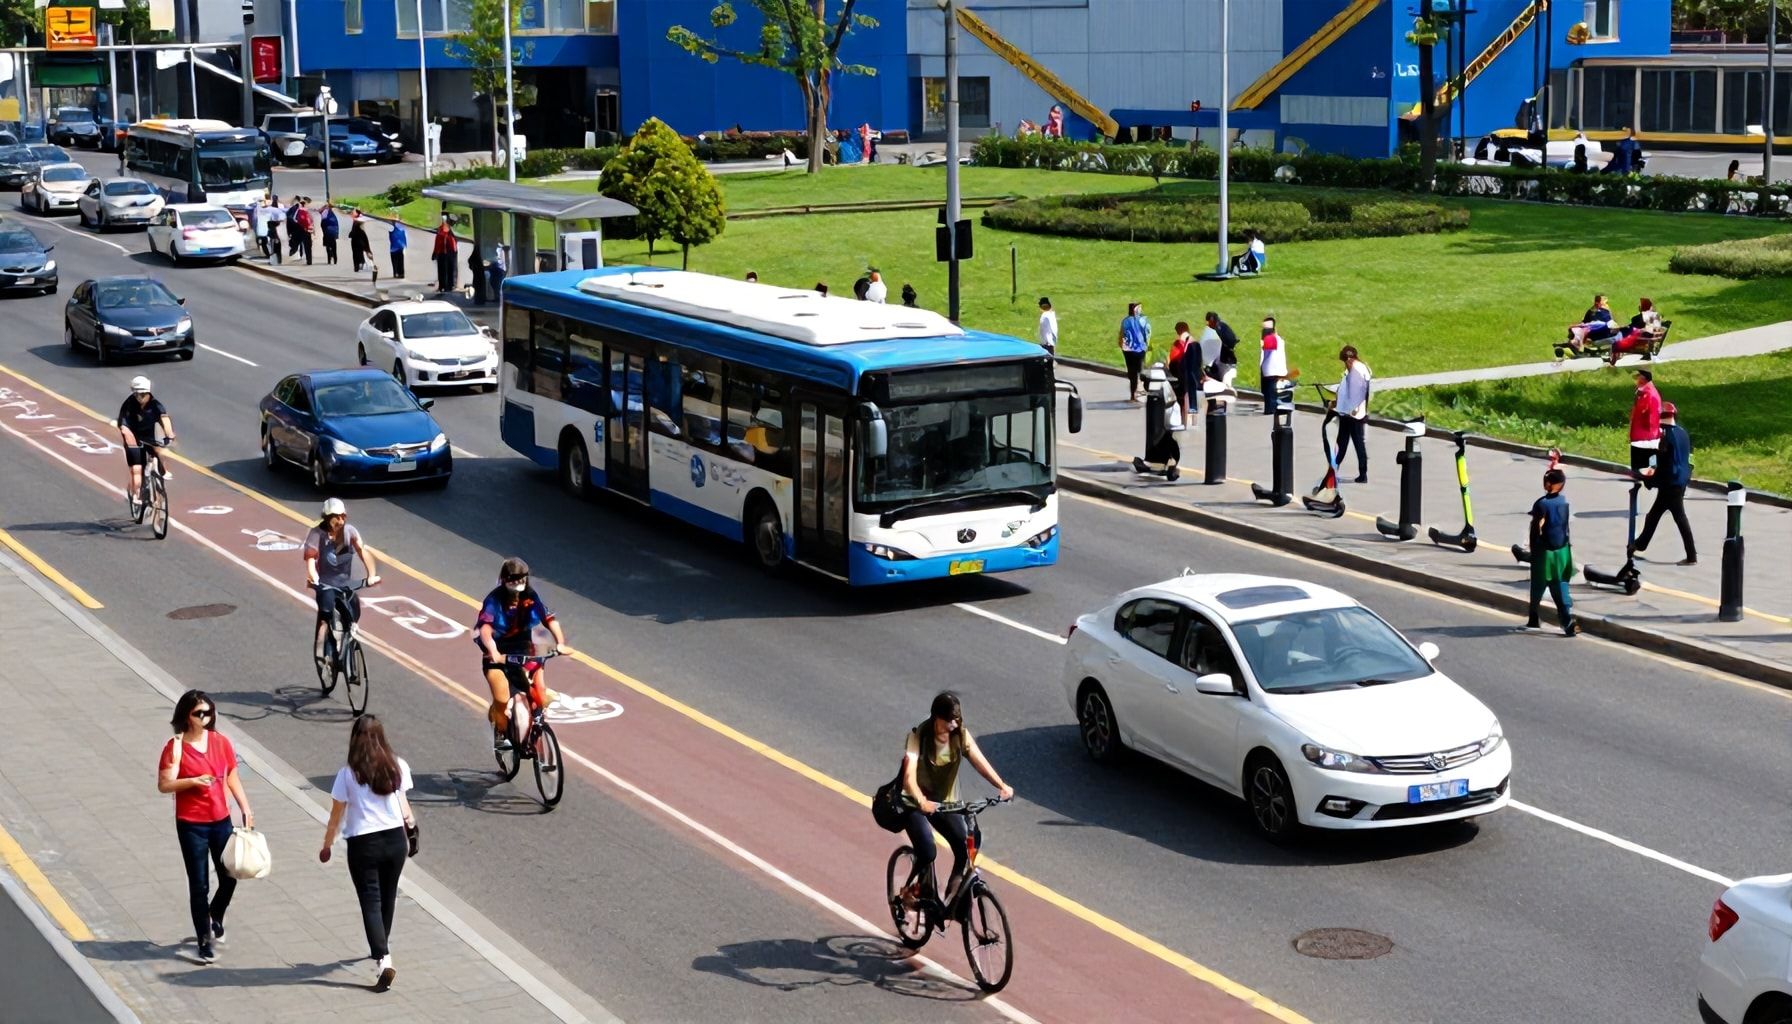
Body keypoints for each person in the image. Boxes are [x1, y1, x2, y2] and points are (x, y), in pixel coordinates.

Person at [319, 715, 415, 992]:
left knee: (370, 901)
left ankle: (383, 959)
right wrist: (411, 829)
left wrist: (327, 845)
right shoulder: (398, 765)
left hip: (364, 845)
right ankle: (381, 948)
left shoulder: (348, 773)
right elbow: (405, 808)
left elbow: (336, 816)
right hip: (395, 841)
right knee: (388, 897)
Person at [158, 690, 254, 964]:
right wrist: (192, 781)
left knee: (229, 876)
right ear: (187, 717)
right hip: (191, 825)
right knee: (199, 884)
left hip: (221, 820)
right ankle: (203, 941)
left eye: (209, 712)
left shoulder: (221, 742)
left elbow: (232, 775)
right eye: (199, 713)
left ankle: (216, 914)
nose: (206, 717)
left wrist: (245, 807)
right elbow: (164, 785)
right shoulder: (175, 747)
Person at [897, 693, 1013, 913]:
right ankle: (911, 892)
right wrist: (921, 801)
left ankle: (952, 904)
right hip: (915, 804)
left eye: (956, 720)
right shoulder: (918, 736)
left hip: (946, 804)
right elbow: (909, 776)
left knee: (965, 848)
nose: (952, 725)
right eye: (948, 720)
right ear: (935, 718)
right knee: (928, 851)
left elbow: (979, 762)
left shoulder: (960, 735)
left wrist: (1002, 785)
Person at [475, 557, 570, 748]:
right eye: (514, 581)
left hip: (524, 650)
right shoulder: (494, 600)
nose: (518, 585)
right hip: (498, 655)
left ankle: (536, 730)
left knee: (540, 697)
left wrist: (560, 643)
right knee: (502, 699)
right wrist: (493, 649)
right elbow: (485, 629)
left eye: (522, 580)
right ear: (505, 580)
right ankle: (501, 731)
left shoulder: (530, 596)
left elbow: (549, 619)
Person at [304, 498, 381, 665]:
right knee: (326, 610)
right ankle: (327, 646)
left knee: (354, 611)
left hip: (345, 585)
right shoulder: (316, 535)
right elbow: (311, 560)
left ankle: (345, 639)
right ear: (326, 518)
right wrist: (314, 577)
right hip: (325, 585)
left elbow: (362, 551)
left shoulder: (349, 532)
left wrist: (371, 575)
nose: (340, 520)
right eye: (336, 516)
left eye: (342, 516)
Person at [1634, 402, 1696, 566]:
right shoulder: (1683, 433)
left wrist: (1648, 479)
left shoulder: (1662, 436)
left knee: (1680, 518)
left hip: (1670, 483)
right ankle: (1639, 544)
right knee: (1654, 515)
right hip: (1680, 480)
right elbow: (1689, 459)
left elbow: (1658, 463)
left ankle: (1692, 556)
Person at [1525, 469, 1579, 636]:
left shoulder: (1541, 504)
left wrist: (1533, 550)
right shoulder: (1564, 501)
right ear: (1561, 485)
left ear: (1548, 484)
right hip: (1563, 550)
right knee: (1561, 584)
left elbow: (1536, 529)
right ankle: (1566, 619)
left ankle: (1538, 618)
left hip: (1545, 553)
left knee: (1539, 586)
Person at [117, 375, 175, 513]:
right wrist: (129, 439)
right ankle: (135, 494)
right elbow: (123, 426)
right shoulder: (129, 404)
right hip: (132, 437)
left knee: (159, 451)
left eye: (142, 394)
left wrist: (169, 434)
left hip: (148, 436)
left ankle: (160, 473)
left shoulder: (156, 405)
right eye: (137, 393)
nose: (139, 397)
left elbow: (164, 419)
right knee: (137, 470)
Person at [1332, 345, 1372, 483]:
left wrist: (1352, 408)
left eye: (1345, 360)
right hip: (1350, 413)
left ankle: (1334, 471)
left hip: (1352, 414)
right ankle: (1361, 474)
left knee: (1347, 443)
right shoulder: (1356, 369)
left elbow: (1357, 391)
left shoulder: (1356, 370)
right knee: (1350, 443)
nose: (1345, 363)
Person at [1606, 297, 1665, 366]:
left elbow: (1632, 328)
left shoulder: (1636, 318)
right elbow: (1657, 328)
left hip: (1635, 339)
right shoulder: (1654, 317)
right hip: (1647, 339)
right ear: (1650, 307)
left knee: (1620, 331)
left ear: (1640, 308)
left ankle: (1613, 351)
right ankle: (1652, 355)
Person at [1628, 368, 1662, 475]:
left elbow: (1640, 409)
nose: (1637, 380)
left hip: (1644, 430)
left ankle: (1640, 473)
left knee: (1641, 454)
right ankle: (1650, 470)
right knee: (1651, 453)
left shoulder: (1646, 393)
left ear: (1643, 378)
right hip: (1651, 430)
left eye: (1638, 377)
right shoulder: (1651, 390)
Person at [1117, 302, 1151, 402]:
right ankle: (1141, 389)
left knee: (1132, 372)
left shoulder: (1125, 321)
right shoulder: (1143, 320)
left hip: (1128, 350)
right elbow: (1148, 334)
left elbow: (1121, 335)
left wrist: (1122, 345)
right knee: (1139, 371)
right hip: (1139, 349)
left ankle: (1133, 394)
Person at [1258, 316, 1288, 416]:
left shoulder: (1271, 339)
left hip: (1270, 370)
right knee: (1270, 391)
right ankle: (1271, 408)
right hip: (1273, 370)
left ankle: (1271, 410)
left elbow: (1266, 354)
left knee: (1269, 391)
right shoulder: (1278, 339)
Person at [1203, 311, 1240, 386]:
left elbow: (1231, 341)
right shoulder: (1223, 325)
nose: (1207, 324)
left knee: (1226, 387)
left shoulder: (1218, 329)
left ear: (1212, 320)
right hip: (1224, 362)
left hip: (1226, 365)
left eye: (1208, 321)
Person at [432, 215, 457, 293]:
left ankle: (448, 286)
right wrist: (435, 252)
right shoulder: (443, 231)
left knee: (448, 269)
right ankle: (445, 286)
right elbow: (438, 242)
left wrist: (435, 252)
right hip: (444, 252)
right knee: (444, 270)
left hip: (448, 252)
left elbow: (438, 242)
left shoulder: (448, 231)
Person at [294, 198, 315, 265]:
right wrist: (312, 230)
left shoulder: (299, 210)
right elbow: (311, 220)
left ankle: (301, 255)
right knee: (308, 246)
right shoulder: (308, 211)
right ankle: (309, 261)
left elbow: (295, 219)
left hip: (301, 230)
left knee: (300, 244)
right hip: (308, 230)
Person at [264, 197, 284, 265]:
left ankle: (274, 261)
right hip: (276, 234)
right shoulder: (278, 213)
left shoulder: (271, 218)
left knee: (272, 248)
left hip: (273, 234)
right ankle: (279, 260)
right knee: (277, 248)